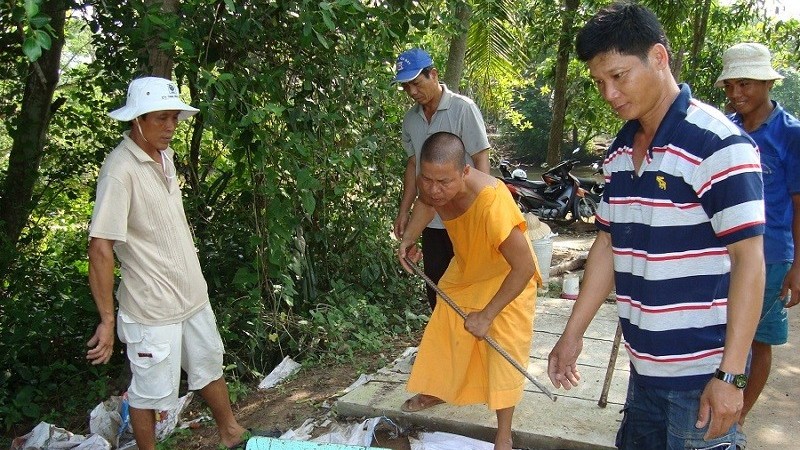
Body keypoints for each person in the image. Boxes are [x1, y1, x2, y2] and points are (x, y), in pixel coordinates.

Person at [546, 3, 765, 449]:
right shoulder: (619, 155)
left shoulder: (717, 144)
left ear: (659, 58)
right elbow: (608, 244)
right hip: (643, 372)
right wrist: (571, 334)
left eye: (619, 76)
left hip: (701, 376)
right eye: (599, 82)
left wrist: (731, 375)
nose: (609, 93)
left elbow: (750, 261)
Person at [86, 77, 252, 450]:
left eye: (174, 118)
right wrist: (108, 319)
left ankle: (230, 432)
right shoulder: (120, 169)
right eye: (161, 118)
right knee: (149, 393)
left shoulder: (165, 156)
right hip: (151, 306)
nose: (170, 127)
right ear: (137, 120)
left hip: (191, 294)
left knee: (208, 363)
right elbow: (100, 247)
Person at [397, 131, 540, 450]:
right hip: (467, 267)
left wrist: (488, 314)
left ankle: (504, 433)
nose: (435, 190)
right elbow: (425, 204)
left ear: (464, 171)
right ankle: (436, 389)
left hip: (506, 275)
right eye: (428, 179)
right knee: (443, 330)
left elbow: (525, 267)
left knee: (502, 347)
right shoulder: (433, 186)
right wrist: (409, 238)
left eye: (443, 182)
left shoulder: (491, 202)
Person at [715, 42, 800, 428]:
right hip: (722, 254)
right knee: (722, 336)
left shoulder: (791, 134)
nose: (736, 94)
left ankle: (738, 420)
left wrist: (799, 266)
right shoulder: (723, 130)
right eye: (730, 85)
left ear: (767, 83)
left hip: (772, 256)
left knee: (757, 340)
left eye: (745, 84)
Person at [392, 48, 491, 310]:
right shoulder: (411, 119)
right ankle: (444, 344)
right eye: (405, 86)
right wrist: (405, 212)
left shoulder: (462, 109)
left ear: (433, 75)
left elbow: (481, 158)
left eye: (416, 83)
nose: (412, 92)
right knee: (437, 286)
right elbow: (413, 165)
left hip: (465, 215)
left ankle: (468, 346)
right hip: (431, 218)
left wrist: (483, 211)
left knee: (469, 288)